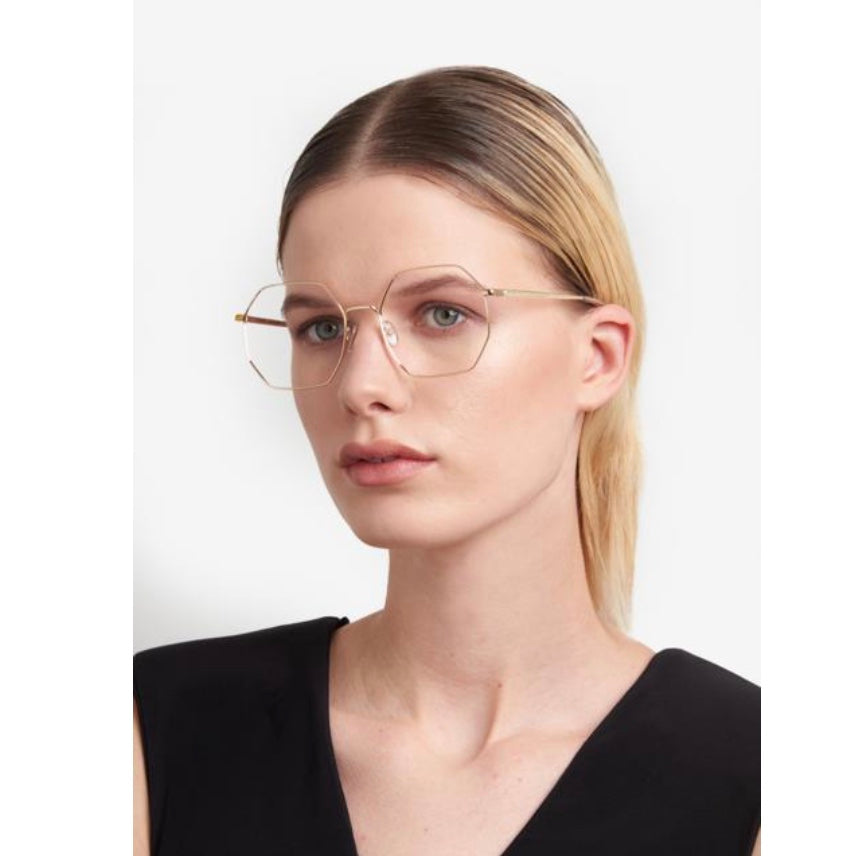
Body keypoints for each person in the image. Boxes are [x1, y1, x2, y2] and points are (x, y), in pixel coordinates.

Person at [133, 65, 760, 855]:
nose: (362, 385)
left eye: (441, 314)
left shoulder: (759, 777)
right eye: (322, 327)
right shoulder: (154, 732)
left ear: (598, 357)